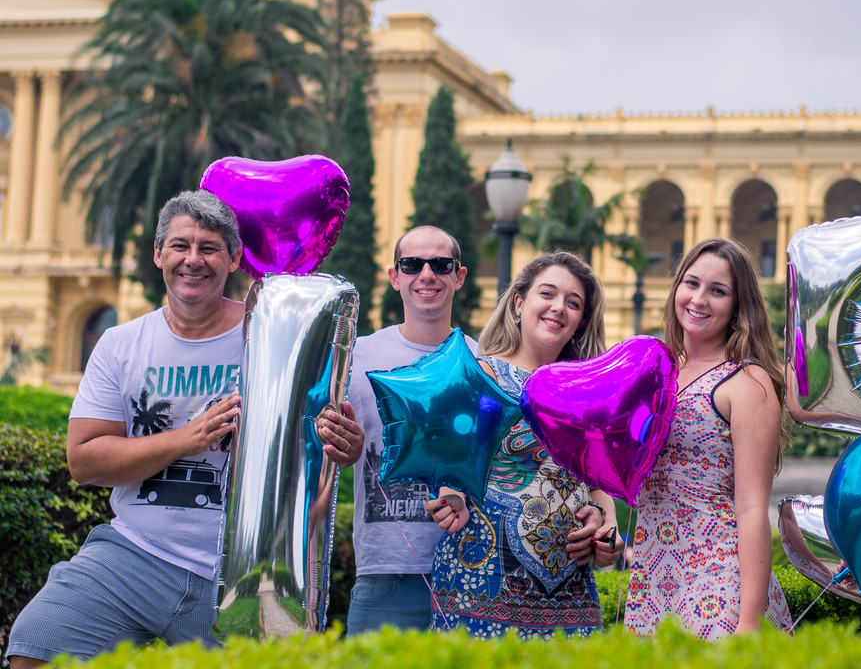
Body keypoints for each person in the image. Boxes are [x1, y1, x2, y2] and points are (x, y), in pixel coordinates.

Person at [4, 190, 363, 668]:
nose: (193, 259)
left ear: (235, 259)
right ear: (158, 254)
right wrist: (187, 438)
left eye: (209, 248)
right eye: (180, 246)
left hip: (244, 573)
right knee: (35, 645)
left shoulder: (281, 341)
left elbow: (325, 443)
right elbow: (84, 460)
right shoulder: (121, 344)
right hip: (134, 554)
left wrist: (345, 446)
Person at [427, 251, 622, 638]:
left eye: (573, 303)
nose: (558, 308)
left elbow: (598, 484)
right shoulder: (479, 376)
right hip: (480, 582)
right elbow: (446, 462)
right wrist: (449, 496)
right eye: (547, 294)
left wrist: (606, 525)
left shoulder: (586, 395)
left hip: (570, 596)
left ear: (581, 322)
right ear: (519, 302)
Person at [625, 237, 792, 639]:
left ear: (738, 307)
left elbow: (752, 508)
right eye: (692, 283)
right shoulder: (657, 369)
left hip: (717, 583)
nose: (699, 298)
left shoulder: (747, 381)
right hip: (651, 577)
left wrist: (748, 620)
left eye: (717, 291)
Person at [344, 225, 475, 634]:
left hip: (472, 570)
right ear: (394, 277)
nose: (427, 274)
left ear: (459, 276)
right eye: (412, 264)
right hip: (385, 575)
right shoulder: (356, 357)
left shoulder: (482, 360)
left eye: (440, 264)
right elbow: (321, 456)